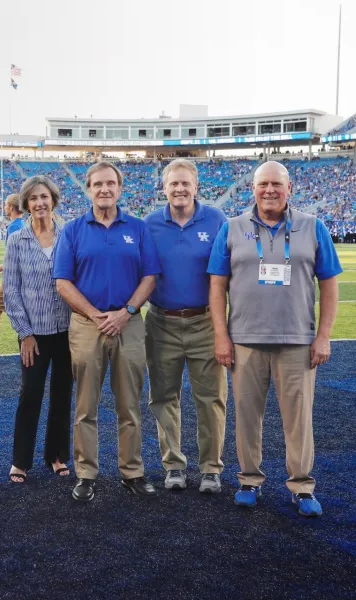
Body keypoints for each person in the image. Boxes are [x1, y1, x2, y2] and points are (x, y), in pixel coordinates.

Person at [208, 161, 342, 517]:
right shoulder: (232, 228)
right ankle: (249, 479)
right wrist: (221, 336)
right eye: (263, 184)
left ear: (289, 188)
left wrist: (323, 336)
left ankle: (301, 486)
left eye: (276, 185)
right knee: (247, 417)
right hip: (245, 341)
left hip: (297, 342)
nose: (269, 190)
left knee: (299, 419)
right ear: (252, 188)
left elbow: (329, 285)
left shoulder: (313, 227)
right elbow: (217, 286)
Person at [54, 161, 160, 502]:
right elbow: (62, 282)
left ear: (119, 188)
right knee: (86, 405)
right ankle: (86, 473)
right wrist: (96, 314)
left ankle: (132, 471)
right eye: (98, 184)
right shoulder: (72, 230)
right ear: (88, 189)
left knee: (130, 404)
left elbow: (150, 276)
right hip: (88, 325)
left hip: (128, 324)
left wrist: (126, 311)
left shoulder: (138, 228)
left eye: (110, 183)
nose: (104, 189)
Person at [144, 159, 228, 494]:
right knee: (163, 397)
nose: (179, 189)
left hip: (205, 321)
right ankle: (173, 465)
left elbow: (226, 274)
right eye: (173, 184)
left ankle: (211, 468)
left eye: (185, 183)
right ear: (164, 188)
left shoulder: (216, 219)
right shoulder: (149, 223)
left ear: (196, 187)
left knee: (210, 399)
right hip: (161, 321)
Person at [3, 176, 73, 483]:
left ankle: (56, 455)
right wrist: (25, 333)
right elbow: (11, 290)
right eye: (33, 198)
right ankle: (21, 461)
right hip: (34, 333)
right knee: (30, 393)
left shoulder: (69, 235)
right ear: (26, 204)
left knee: (62, 394)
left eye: (44, 197)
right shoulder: (17, 239)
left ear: (53, 200)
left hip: (68, 331)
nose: (39, 203)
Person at [0, 194, 25, 336]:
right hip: (21, 275)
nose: (4, 207)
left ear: (11, 207)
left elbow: (13, 256)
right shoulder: (23, 224)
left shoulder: (14, 227)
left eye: (5, 204)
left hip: (12, 277)